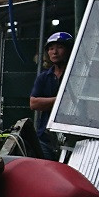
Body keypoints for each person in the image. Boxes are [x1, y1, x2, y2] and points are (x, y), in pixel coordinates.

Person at [30, 31, 73, 160]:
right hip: (45, 137)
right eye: (51, 48)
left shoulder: (76, 75)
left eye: (59, 47)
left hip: (70, 137)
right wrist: (61, 100)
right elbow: (33, 103)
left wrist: (47, 103)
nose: (54, 52)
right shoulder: (44, 77)